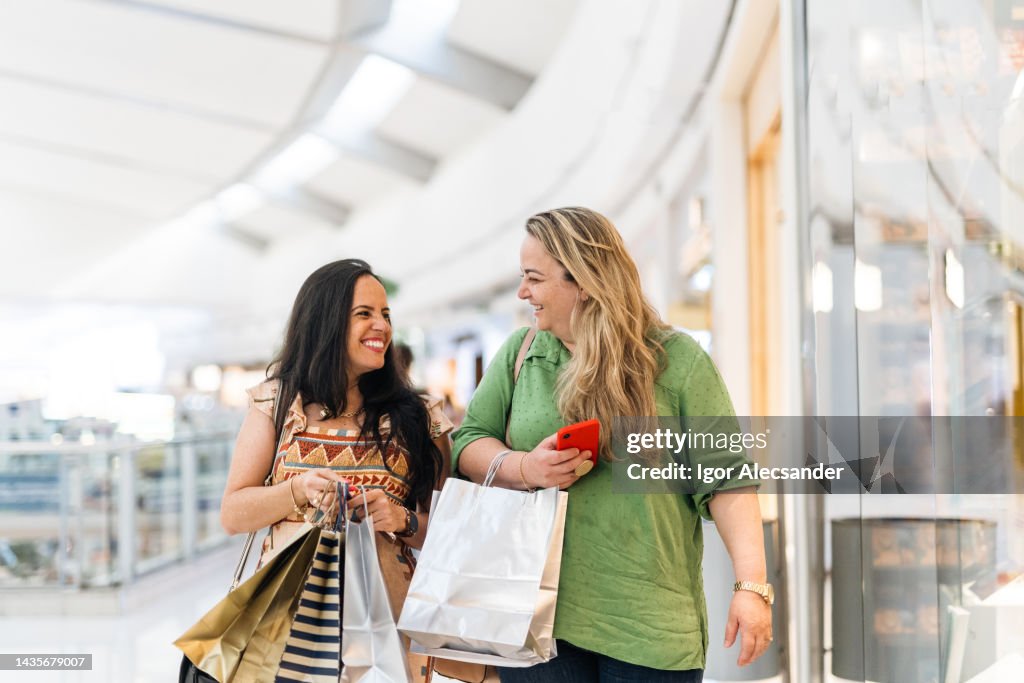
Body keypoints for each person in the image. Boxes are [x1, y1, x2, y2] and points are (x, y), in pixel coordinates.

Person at [452, 207, 772, 682]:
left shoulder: (675, 361)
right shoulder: (523, 353)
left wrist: (751, 587)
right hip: (533, 621)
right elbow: (467, 442)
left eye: (534, 279)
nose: (523, 292)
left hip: (649, 629)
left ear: (581, 280)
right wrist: (526, 468)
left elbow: (727, 478)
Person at [220, 258, 451, 679]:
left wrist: (401, 519)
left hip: (387, 633)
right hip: (283, 630)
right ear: (325, 322)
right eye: (364, 314)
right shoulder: (275, 403)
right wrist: (298, 489)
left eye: (385, 314)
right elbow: (233, 514)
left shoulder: (421, 417)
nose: (381, 326)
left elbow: (451, 534)